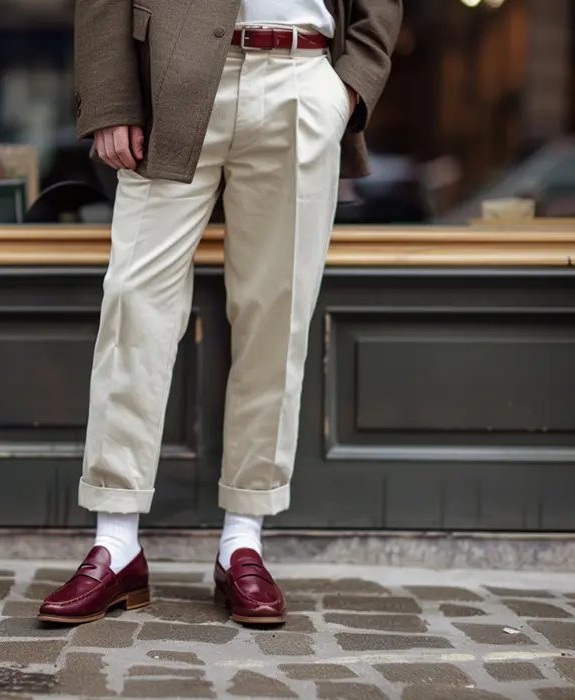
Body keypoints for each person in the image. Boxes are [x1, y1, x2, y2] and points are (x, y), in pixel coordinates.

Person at [39, 0, 402, 626]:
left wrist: (347, 90)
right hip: (169, 86)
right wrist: (112, 100)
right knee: (134, 305)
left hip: (302, 81)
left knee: (276, 316)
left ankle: (243, 540)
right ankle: (116, 540)